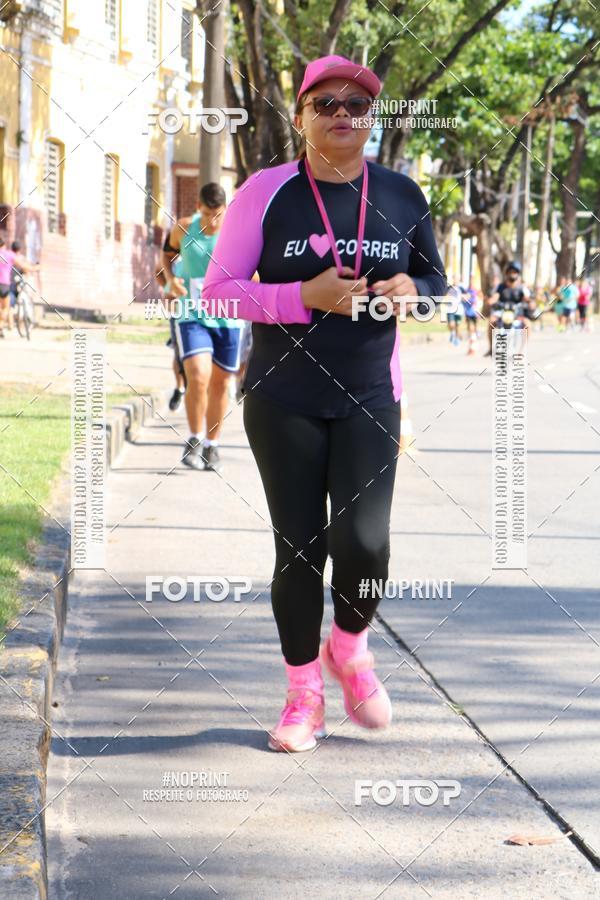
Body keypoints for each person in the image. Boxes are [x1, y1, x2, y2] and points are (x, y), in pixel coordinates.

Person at [203, 55, 446, 752]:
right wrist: (302, 296)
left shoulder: (402, 195)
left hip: (372, 394)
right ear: (302, 116)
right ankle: (303, 693)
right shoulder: (265, 192)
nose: (343, 114)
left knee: (365, 542)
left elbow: (434, 281)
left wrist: (416, 294)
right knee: (300, 550)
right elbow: (217, 291)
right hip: (285, 398)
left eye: (357, 104)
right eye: (326, 104)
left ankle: (349, 646)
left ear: (371, 118)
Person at [163, 183, 243, 472]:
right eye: (208, 213)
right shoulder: (183, 228)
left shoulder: (237, 232)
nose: (213, 221)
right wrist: (170, 282)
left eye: (218, 214)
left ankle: (212, 444)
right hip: (191, 314)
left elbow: (254, 269)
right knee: (198, 374)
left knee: (221, 383)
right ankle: (194, 439)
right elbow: (166, 256)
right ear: (199, 208)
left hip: (229, 318)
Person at [484, 261, 530, 355]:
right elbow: (495, 296)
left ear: (518, 274)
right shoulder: (500, 287)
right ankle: (490, 348)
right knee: (491, 321)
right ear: (507, 273)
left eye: (514, 272)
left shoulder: (522, 288)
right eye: (511, 272)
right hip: (502, 312)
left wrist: (530, 302)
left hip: (517, 314)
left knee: (527, 324)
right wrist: (491, 301)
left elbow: (527, 299)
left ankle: (521, 350)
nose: (512, 274)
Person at [0, 238, 38, 337]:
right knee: (5, 308)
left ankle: (6, 326)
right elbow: (24, 267)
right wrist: (36, 268)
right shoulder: (9, 255)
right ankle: (1, 327)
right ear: (3, 245)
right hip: (4, 284)